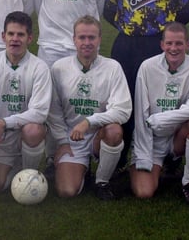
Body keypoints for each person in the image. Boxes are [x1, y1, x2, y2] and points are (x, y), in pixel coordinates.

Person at [104, 0, 189, 171]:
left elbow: (185, 11)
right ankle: (120, 154)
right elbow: (108, 9)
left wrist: (162, 34)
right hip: (127, 46)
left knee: (164, 100)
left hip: (160, 47)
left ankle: (170, 157)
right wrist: (131, 27)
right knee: (125, 99)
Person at [33, 0, 109, 176]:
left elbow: (96, 5)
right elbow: (36, 1)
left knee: (83, 100)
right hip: (52, 46)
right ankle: (54, 156)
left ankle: (89, 153)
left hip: (84, 46)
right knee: (51, 104)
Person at [47, 16, 131, 200]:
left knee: (115, 130)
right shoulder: (59, 68)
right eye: (82, 37)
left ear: (100, 39)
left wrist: (89, 121)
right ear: (74, 39)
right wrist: (62, 141)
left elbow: (123, 110)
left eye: (91, 38)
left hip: (98, 135)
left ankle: (102, 181)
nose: (87, 42)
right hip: (72, 139)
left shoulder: (112, 67)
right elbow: (53, 111)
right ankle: (81, 170)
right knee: (66, 191)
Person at [130, 22, 189, 203]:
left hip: (177, 136)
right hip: (152, 140)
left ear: (188, 45)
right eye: (170, 43)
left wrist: (162, 119)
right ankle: (149, 167)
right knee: (144, 192)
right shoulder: (147, 67)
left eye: (179, 43)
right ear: (162, 44)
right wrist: (143, 156)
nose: (174, 48)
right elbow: (141, 115)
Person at [0, 11, 51, 194]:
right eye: (11, 34)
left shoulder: (40, 67)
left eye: (21, 35)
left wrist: (2, 123)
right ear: (3, 36)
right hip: (0, 139)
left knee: (33, 129)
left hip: (24, 134)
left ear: (30, 38)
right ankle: (15, 169)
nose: (15, 39)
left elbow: (40, 112)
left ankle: (29, 174)